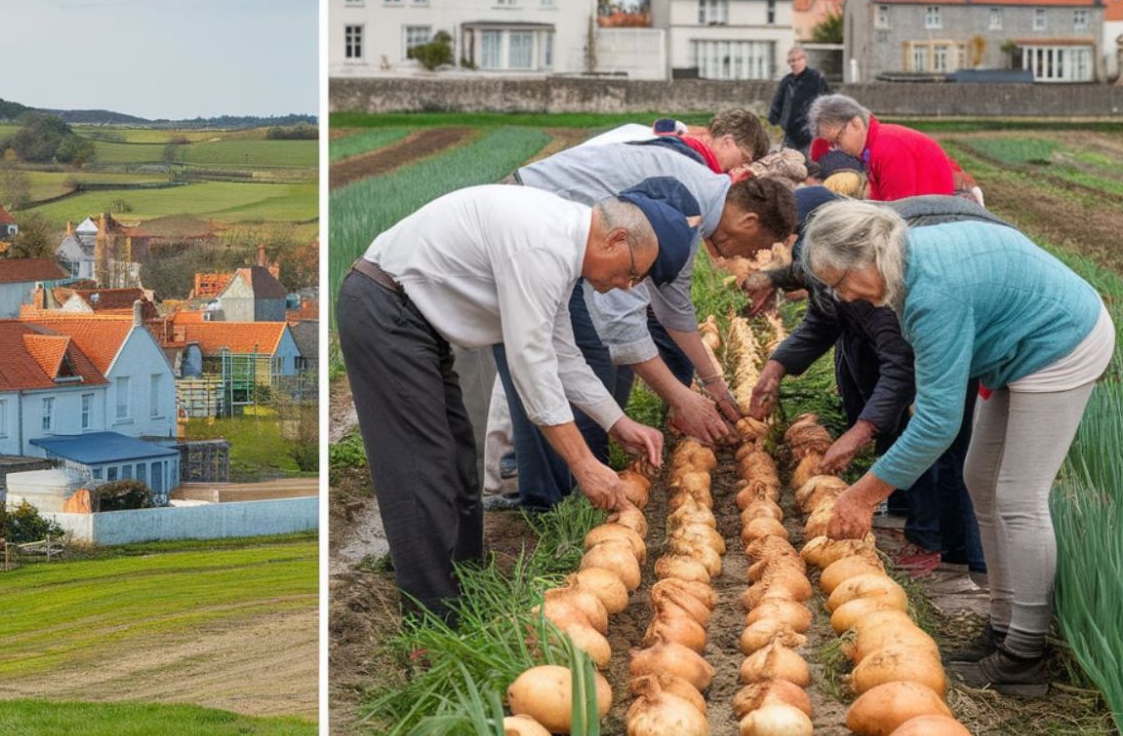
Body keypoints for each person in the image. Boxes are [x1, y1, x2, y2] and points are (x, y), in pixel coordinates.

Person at [802, 200, 1114, 695]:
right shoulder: (902, 263)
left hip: (1061, 342)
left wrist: (861, 495)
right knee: (979, 478)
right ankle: (1002, 625)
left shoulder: (933, 294)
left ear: (867, 256)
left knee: (1018, 497)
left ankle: (1024, 657)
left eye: (840, 282)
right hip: (1015, 345)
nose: (841, 296)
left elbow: (937, 425)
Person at [337, 183, 688, 620]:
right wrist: (582, 463)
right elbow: (530, 364)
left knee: (458, 456)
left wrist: (618, 422)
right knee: (420, 466)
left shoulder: (561, 248)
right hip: (386, 310)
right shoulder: (543, 245)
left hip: (414, 321)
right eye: (631, 273)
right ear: (615, 240)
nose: (624, 286)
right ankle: (432, 618)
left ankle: (465, 578)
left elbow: (562, 354)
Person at [502, 138, 798, 511]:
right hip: (526, 230)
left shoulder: (695, 207)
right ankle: (556, 504)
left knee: (593, 362)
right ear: (749, 221)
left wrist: (715, 386)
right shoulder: (681, 207)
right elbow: (622, 323)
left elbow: (674, 311)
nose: (749, 257)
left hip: (566, 238)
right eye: (757, 247)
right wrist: (681, 399)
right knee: (568, 359)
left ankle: (584, 483)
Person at [746, 189, 997, 578]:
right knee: (926, 434)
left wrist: (860, 433)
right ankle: (931, 532)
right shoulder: (833, 272)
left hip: (964, 331)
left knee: (943, 442)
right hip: (946, 324)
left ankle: (945, 548)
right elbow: (821, 321)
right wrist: (775, 367)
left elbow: (900, 369)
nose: (835, 292)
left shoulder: (878, 281)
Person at [806, 94, 977, 202]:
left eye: (837, 139)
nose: (838, 148)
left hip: (935, 221)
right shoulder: (873, 148)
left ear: (856, 123)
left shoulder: (888, 149)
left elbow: (899, 211)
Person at [767, 47, 830, 156]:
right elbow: (777, 103)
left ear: (804, 60)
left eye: (797, 60)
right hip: (790, 133)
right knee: (788, 163)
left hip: (810, 131)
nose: (794, 63)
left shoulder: (816, 78)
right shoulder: (787, 81)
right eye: (791, 61)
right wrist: (773, 119)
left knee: (810, 164)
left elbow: (827, 101)